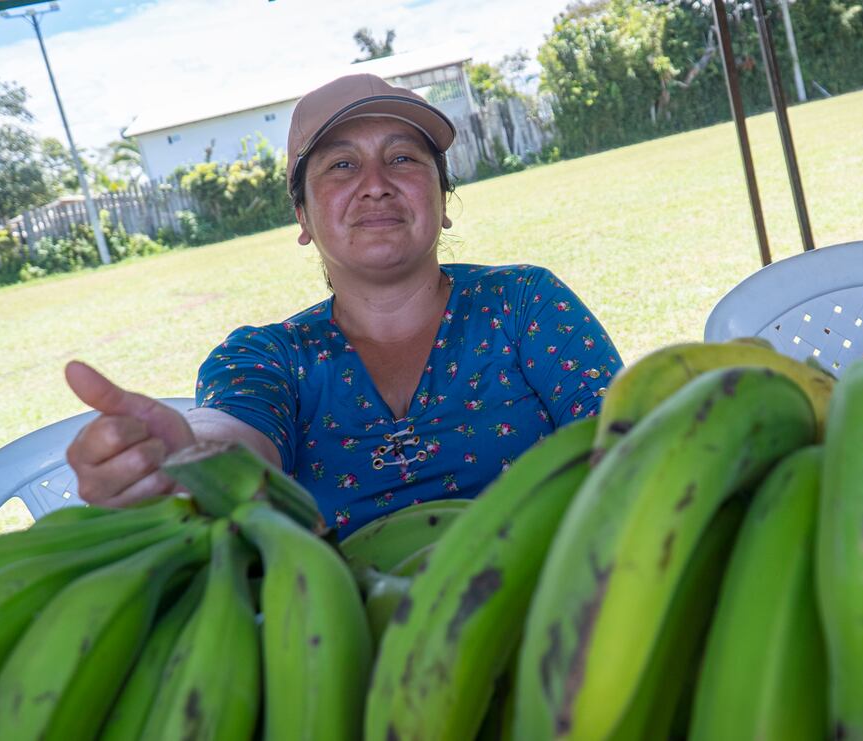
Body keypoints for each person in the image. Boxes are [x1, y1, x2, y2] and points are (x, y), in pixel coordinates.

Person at [64, 73, 622, 537]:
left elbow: (626, 437)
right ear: (303, 218)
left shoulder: (523, 303)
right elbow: (232, 430)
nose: (376, 184)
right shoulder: (269, 356)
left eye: (402, 159)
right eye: (341, 166)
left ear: (443, 200)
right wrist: (189, 452)